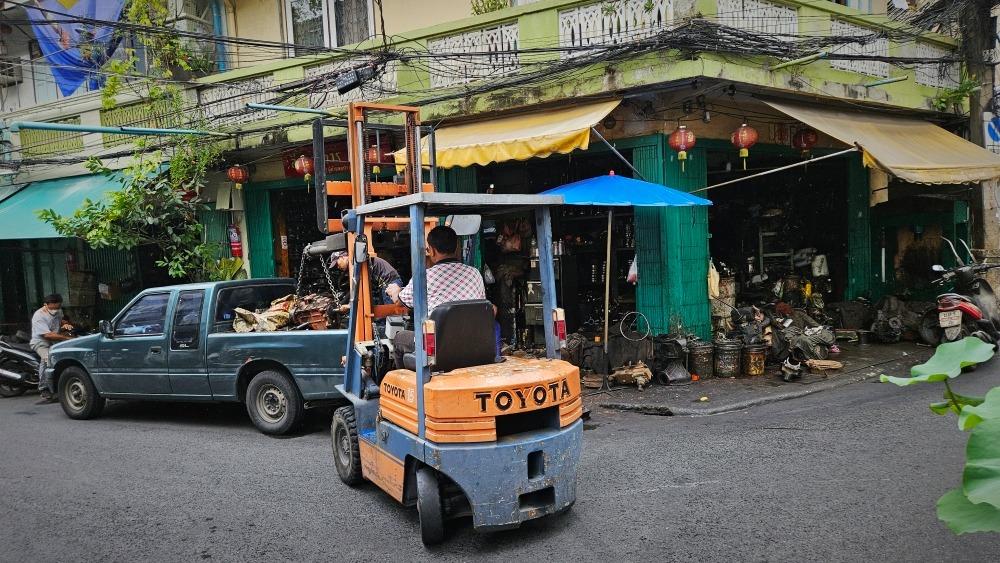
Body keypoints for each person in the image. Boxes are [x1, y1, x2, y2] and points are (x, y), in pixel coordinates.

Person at [386, 225, 486, 368]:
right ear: (457, 247)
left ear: (432, 250)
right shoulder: (474, 273)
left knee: (400, 338)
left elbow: (399, 301)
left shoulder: (424, 277)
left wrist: (395, 290)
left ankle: (413, 385)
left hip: (438, 348)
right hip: (472, 344)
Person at [29, 294, 74, 404]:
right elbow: (47, 335)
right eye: (52, 308)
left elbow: (59, 321)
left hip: (55, 342)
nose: (55, 310)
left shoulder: (58, 311)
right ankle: (44, 390)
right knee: (47, 359)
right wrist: (66, 338)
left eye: (57, 307)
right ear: (46, 305)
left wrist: (66, 325)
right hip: (41, 343)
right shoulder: (39, 316)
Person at [329, 251, 403, 313]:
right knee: (381, 314)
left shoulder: (356, 261)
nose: (338, 267)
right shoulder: (355, 263)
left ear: (342, 257)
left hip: (390, 282)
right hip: (384, 284)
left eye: (337, 264)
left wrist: (350, 305)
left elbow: (358, 286)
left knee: (389, 312)